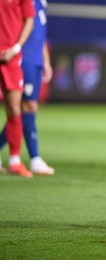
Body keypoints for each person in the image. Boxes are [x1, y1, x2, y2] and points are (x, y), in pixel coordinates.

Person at [0, 0, 54, 175]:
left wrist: (45, 59)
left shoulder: (41, 3)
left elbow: (39, 30)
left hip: (31, 57)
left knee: (21, 108)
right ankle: (34, 157)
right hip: (24, 57)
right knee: (24, 107)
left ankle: (29, 158)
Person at [0, 0, 35, 177]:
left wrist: (15, 47)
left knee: (14, 108)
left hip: (11, 57)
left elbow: (29, 19)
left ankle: (14, 160)